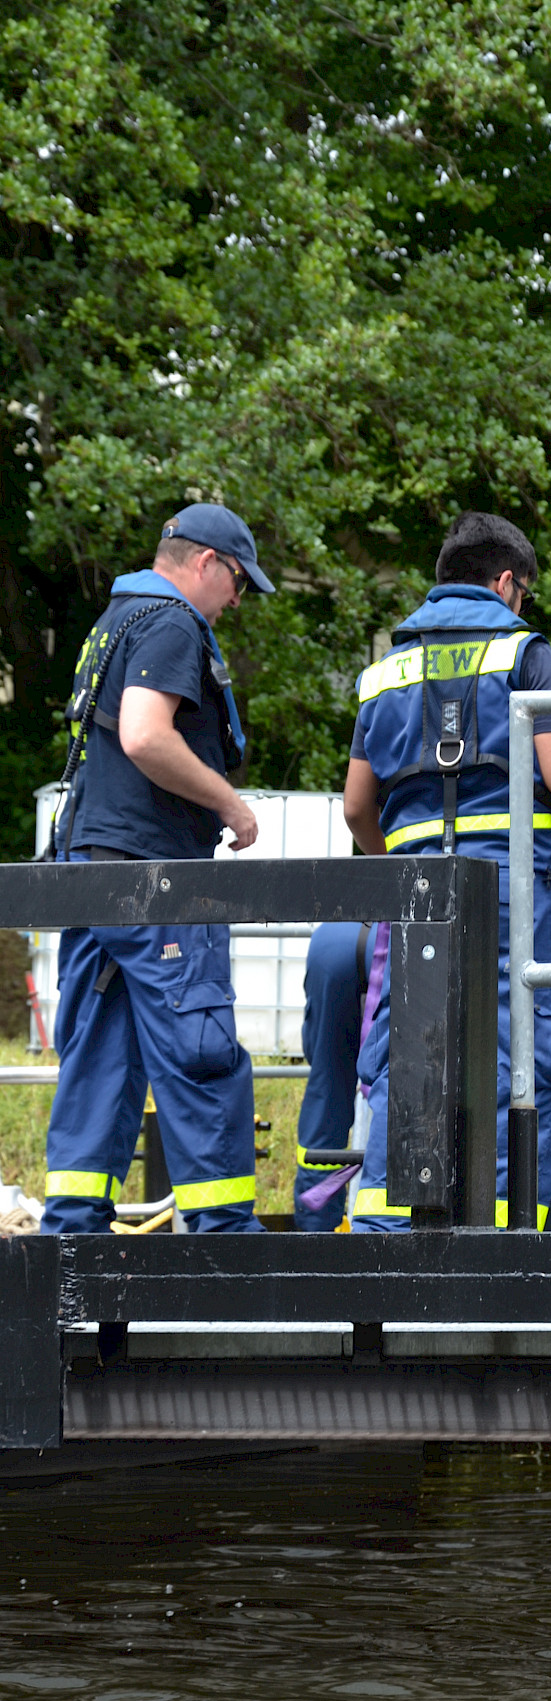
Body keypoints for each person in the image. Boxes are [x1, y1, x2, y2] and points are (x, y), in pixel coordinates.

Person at [342, 510, 551, 1229]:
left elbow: (357, 807)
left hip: (417, 892)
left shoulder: (385, 670)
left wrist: (402, 870)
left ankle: (385, 1246)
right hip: (512, 893)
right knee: (530, 1060)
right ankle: (495, 1255)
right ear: (509, 582)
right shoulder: (525, 653)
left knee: (411, 1055)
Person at [41, 504, 273, 1234]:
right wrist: (232, 807)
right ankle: (225, 1249)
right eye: (237, 581)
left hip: (91, 869)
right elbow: (146, 736)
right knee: (199, 1048)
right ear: (206, 563)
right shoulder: (172, 623)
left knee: (99, 1055)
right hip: (155, 875)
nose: (236, 601)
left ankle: (69, 1243)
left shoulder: (114, 622)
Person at [291, 920, 383, 1231]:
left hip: (332, 938)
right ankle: (384, 1226)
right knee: (396, 1090)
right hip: (395, 936)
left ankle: (315, 1231)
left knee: (325, 1094)